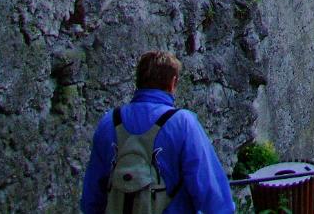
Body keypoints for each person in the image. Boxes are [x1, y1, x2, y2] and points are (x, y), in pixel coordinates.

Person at [81, 50, 236, 213]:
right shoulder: (183, 123)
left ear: (138, 81)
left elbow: (91, 199)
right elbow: (213, 196)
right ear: (173, 83)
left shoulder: (109, 122)